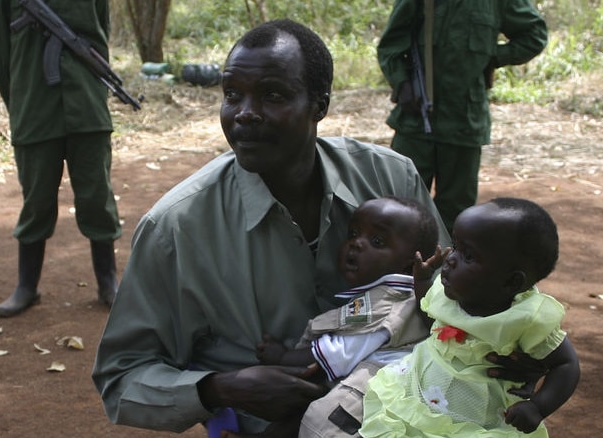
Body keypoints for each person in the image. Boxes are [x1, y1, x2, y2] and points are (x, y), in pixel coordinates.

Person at [92, 19, 539, 438]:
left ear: (319, 105)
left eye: (272, 95)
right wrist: (220, 389)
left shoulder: (390, 179)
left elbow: (456, 294)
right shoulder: (177, 227)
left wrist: (509, 348)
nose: (245, 113)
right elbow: (123, 375)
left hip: (413, 415)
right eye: (232, 94)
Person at [360, 198, 580, 438]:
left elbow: (566, 365)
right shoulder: (451, 294)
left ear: (511, 282)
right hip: (415, 396)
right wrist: (422, 281)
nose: (451, 259)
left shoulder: (526, 319)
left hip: (478, 423)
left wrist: (539, 406)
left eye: (469, 256)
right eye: (455, 247)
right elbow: (430, 314)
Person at [257, 195, 439, 438]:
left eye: (376, 241)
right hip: (365, 393)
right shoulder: (390, 296)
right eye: (353, 233)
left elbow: (338, 354)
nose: (356, 244)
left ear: (408, 266)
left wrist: (283, 356)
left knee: (314, 416)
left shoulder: (389, 305)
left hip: (368, 404)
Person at [0, 0, 122, 317]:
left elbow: (100, 38)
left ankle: (107, 282)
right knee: (36, 201)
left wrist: (96, 93)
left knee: (97, 196)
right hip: (34, 107)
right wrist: (19, 103)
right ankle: (26, 287)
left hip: (87, 107)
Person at [377, 0, 548, 233]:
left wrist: (493, 56)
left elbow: (534, 35)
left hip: (465, 121)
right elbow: (391, 45)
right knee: (398, 205)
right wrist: (402, 83)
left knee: (456, 213)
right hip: (415, 119)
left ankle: (443, 266)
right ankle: (401, 268)